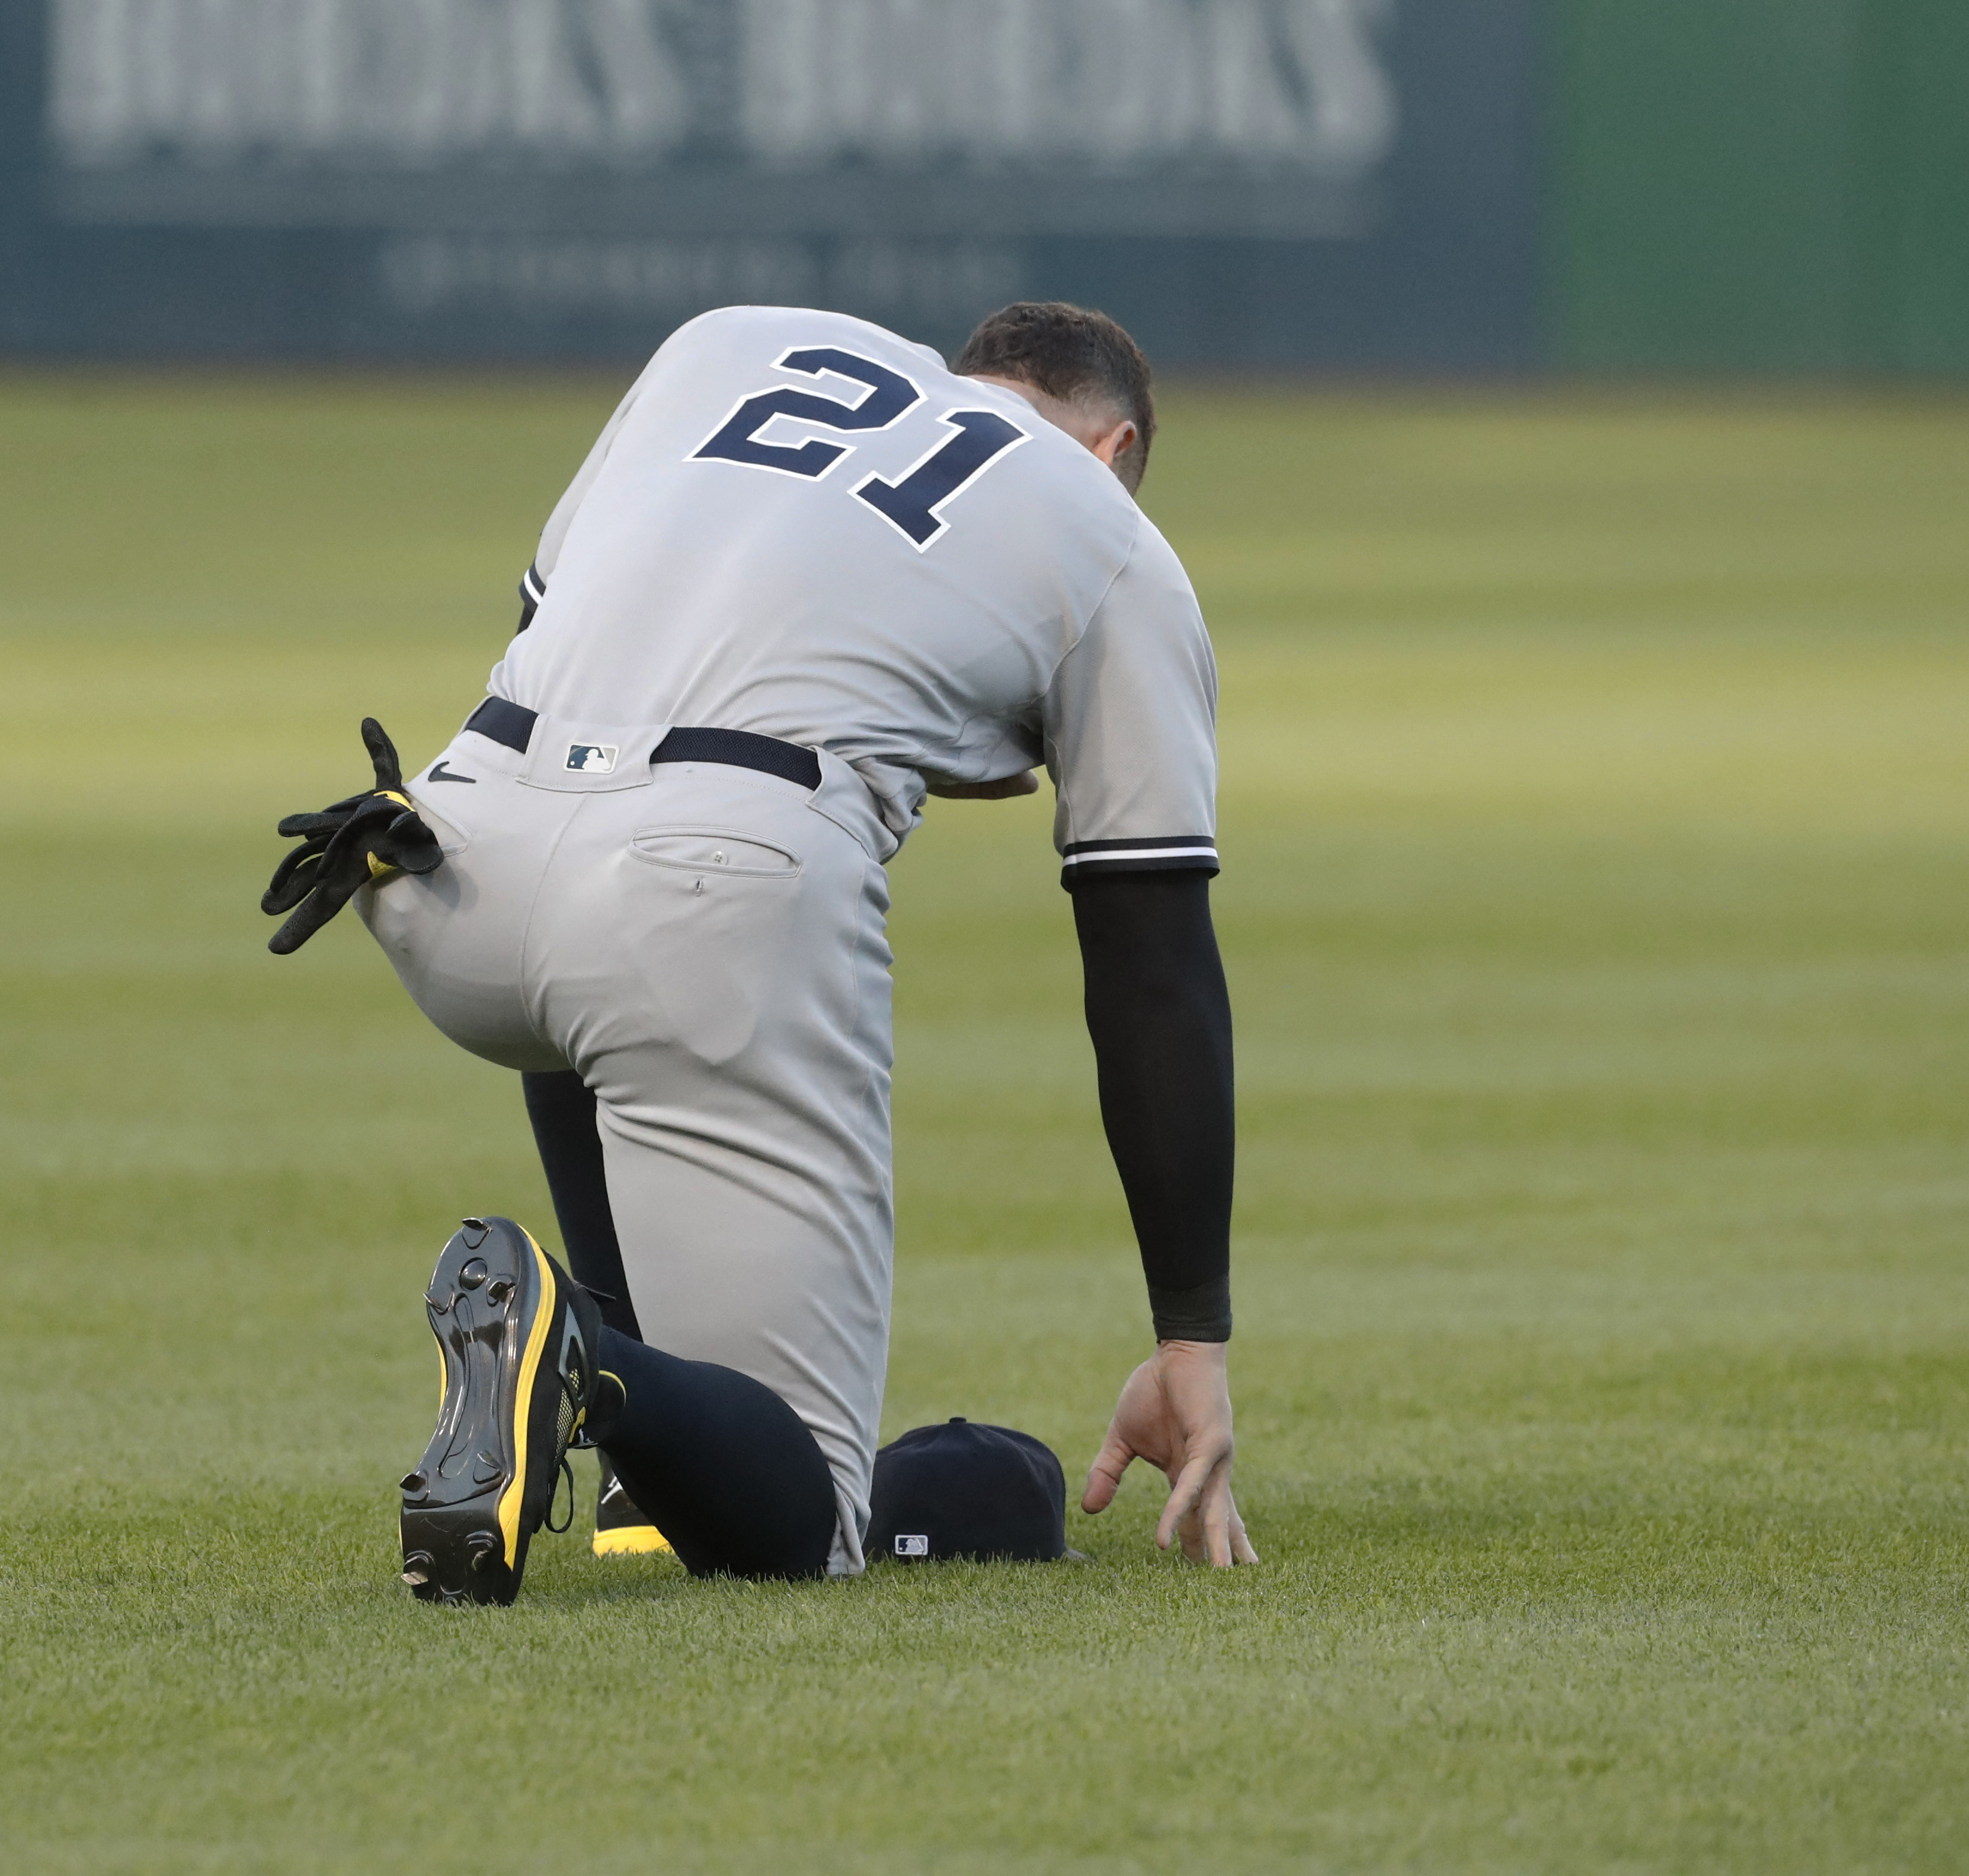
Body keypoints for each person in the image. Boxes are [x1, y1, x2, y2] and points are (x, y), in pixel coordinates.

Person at [262, 300, 1252, 1602]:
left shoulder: (730, 345)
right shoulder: (1108, 531)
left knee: (595, 919)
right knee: (802, 1531)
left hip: (445, 852)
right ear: (1113, 446)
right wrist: (1191, 1339)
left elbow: (582, 638)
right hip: (704, 890)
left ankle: (632, 1455)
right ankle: (584, 1358)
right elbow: (1152, 961)